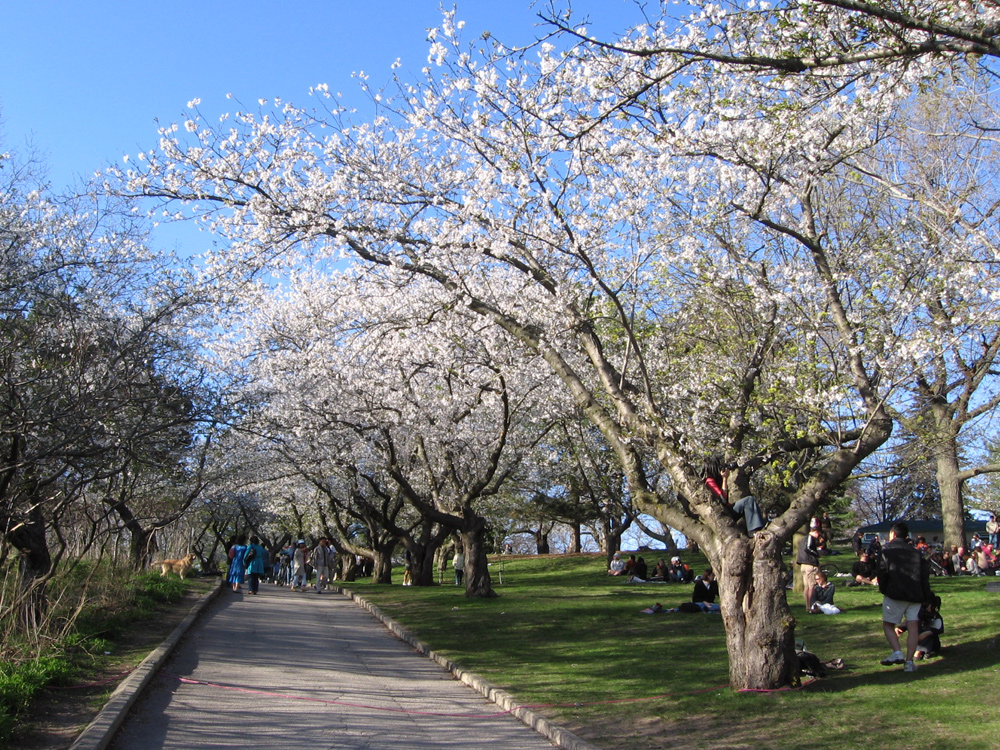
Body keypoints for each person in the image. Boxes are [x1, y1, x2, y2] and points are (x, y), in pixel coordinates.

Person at [877, 521, 933, 673]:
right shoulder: (915, 552)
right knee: (913, 627)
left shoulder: (886, 549)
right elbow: (924, 576)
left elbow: (882, 572)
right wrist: (926, 597)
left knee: (888, 625)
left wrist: (884, 589)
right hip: (915, 594)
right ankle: (909, 662)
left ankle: (897, 652)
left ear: (893, 534)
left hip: (895, 593)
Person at [702, 457, 765, 534]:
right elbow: (723, 501)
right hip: (724, 513)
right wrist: (724, 479)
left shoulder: (715, 480)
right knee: (749, 501)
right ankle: (755, 532)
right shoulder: (709, 481)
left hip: (725, 511)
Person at [796, 523, 823, 611]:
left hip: (803, 564)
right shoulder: (809, 538)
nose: (818, 535)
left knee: (806, 586)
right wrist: (816, 554)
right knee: (811, 586)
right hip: (810, 564)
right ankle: (810, 606)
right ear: (815, 531)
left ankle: (807, 606)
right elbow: (807, 548)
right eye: (818, 533)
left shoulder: (803, 538)